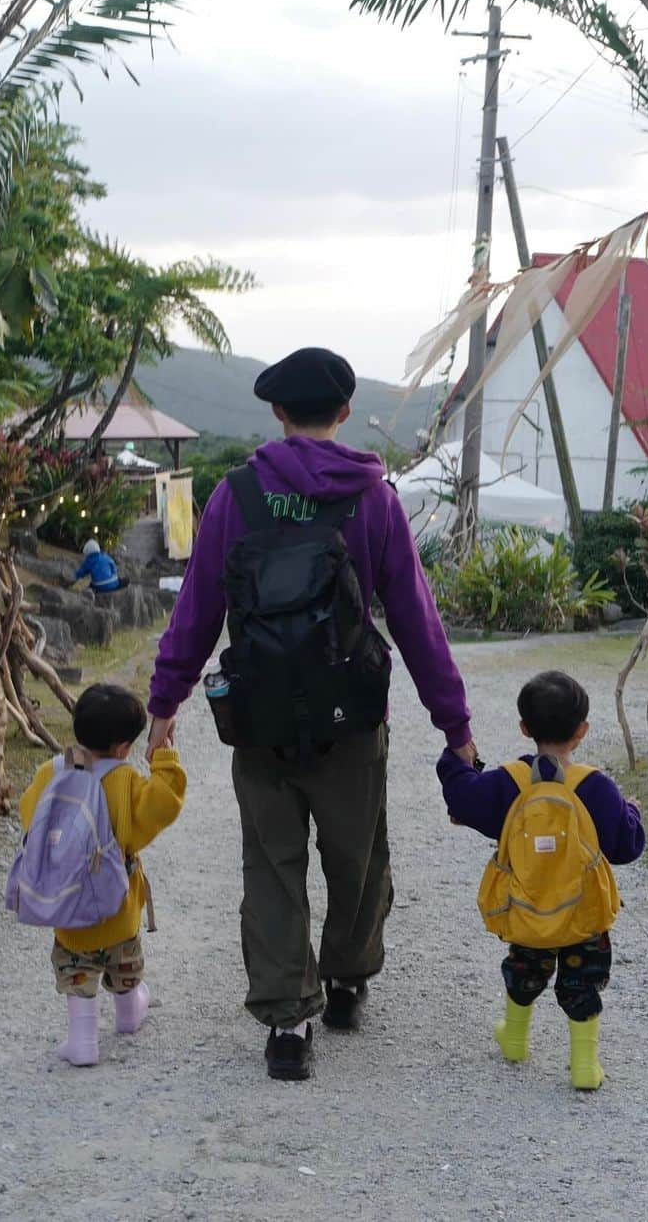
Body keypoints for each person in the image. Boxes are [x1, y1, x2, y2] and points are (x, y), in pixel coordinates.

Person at [146, 346, 475, 1081]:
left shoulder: (235, 495)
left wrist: (164, 701)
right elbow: (418, 621)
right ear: (346, 412)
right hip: (351, 715)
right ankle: (349, 978)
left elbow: (198, 607)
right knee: (357, 853)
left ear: (276, 412)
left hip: (259, 716)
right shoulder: (375, 499)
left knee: (271, 861)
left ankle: (288, 1022)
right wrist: (454, 722)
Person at [437, 670, 644, 1090]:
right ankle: (585, 1067)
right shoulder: (594, 787)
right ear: (582, 731)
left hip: (526, 910)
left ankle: (514, 1039)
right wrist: (632, 811)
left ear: (525, 728)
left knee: (524, 970)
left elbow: (462, 796)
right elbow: (627, 846)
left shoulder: (508, 783)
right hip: (583, 917)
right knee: (582, 982)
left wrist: (455, 761)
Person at [18, 683, 186, 1067]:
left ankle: (82, 1041)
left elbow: (30, 814)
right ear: (124, 747)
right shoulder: (126, 782)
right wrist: (165, 759)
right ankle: (130, 1014)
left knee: (77, 971)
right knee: (125, 966)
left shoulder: (53, 772)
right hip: (117, 907)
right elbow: (162, 807)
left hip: (68, 907)